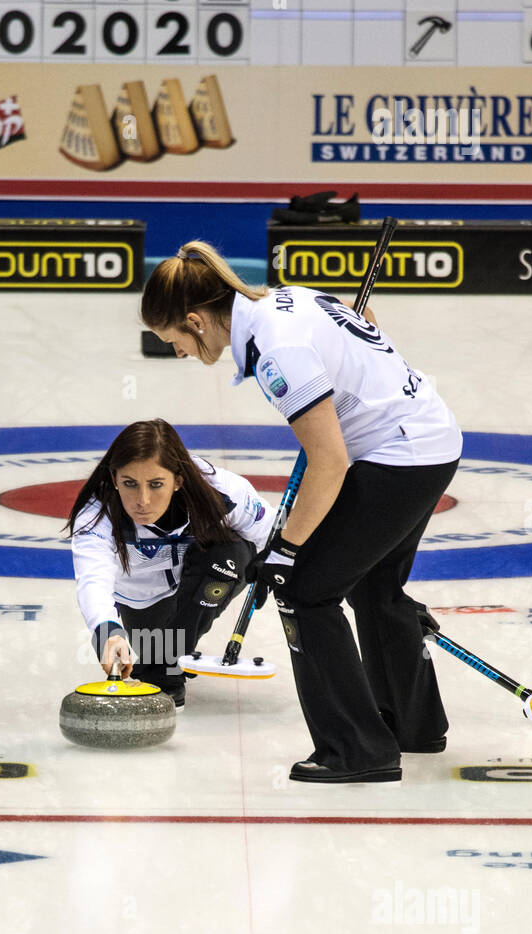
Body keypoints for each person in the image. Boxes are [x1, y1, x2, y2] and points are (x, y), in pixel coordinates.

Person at [141, 241, 462, 783]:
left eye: (173, 340)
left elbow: (329, 464)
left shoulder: (275, 354)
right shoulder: (288, 299)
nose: (178, 352)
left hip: (399, 458)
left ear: (195, 321)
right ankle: (413, 726)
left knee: (305, 590)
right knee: (373, 586)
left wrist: (286, 551)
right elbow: (363, 321)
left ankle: (357, 751)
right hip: (431, 440)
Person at [68, 419, 276, 707]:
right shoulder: (96, 515)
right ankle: (164, 656)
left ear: (178, 480)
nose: (142, 500)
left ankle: (167, 663)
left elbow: (274, 538)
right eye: (130, 484)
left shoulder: (224, 492)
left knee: (230, 557)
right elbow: (93, 580)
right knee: (154, 650)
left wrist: (277, 572)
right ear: (114, 478)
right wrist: (108, 632)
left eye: (156, 485)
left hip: (201, 579)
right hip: (141, 600)